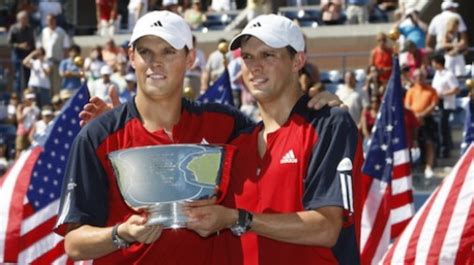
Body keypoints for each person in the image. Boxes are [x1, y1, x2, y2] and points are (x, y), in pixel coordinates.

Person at [57, 11, 344, 264]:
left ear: (190, 58)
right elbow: (74, 242)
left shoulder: (225, 125)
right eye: (145, 52)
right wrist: (121, 234)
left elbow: (280, 130)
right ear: (131, 56)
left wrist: (318, 106)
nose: (155, 62)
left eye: (168, 51)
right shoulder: (99, 136)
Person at [185, 14, 361, 265]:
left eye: (268, 55)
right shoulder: (237, 142)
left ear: (297, 60)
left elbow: (326, 227)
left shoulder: (329, 124)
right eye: (247, 57)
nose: (254, 66)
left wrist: (238, 218)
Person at [404, 69, 438, 179]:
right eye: (417, 76)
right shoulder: (411, 90)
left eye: (421, 76)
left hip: (427, 119)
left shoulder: (431, 90)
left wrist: (422, 115)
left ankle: (428, 167)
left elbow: (433, 105)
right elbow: (407, 106)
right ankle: (412, 168)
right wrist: (415, 116)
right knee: (412, 143)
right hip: (412, 121)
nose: (419, 78)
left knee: (429, 143)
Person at [431, 54, 459, 158]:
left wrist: (442, 94)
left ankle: (445, 150)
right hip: (437, 103)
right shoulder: (437, 74)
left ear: (438, 63)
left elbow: (456, 89)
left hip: (445, 104)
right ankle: (442, 149)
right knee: (440, 127)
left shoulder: (449, 75)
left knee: (443, 127)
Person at [38, 14, 71, 96]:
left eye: (52, 20)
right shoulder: (44, 31)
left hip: (57, 61)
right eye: (48, 20)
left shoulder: (61, 31)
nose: (50, 22)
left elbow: (66, 47)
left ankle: (56, 100)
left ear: (55, 21)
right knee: (46, 83)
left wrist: (64, 62)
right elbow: (40, 47)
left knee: (56, 83)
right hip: (46, 61)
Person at [7, 10, 35, 97]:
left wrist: (30, 49)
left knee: (28, 76)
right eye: (24, 18)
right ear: (19, 19)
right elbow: (9, 43)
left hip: (28, 55)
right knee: (18, 76)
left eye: (26, 18)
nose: (26, 20)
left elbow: (33, 42)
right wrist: (19, 45)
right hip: (17, 55)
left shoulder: (30, 29)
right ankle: (17, 96)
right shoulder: (14, 28)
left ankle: (26, 95)